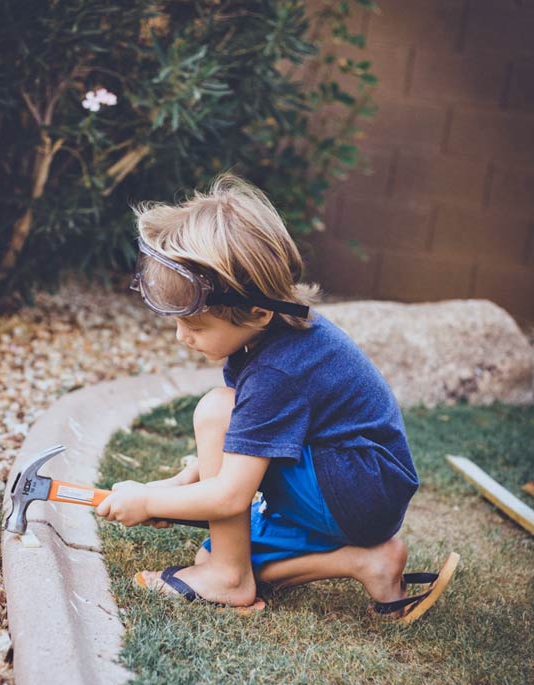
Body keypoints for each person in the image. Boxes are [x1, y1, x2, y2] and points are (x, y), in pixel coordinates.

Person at [96, 174, 459, 622]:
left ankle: (229, 579)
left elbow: (230, 495)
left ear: (257, 311)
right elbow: (248, 443)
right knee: (218, 550)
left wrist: (148, 503)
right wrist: (169, 488)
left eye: (196, 326)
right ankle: (369, 562)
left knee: (216, 412)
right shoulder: (266, 337)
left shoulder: (276, 370)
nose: (181, 337)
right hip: (355, 487)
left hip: (356, 488)